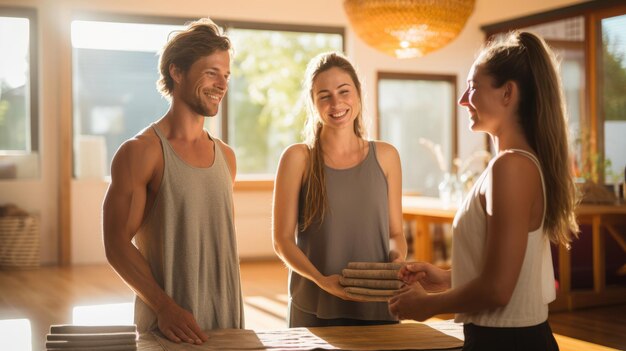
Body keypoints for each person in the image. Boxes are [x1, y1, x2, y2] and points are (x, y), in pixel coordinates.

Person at [388, 31, 579, 350]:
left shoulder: (512, 167)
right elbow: (508, 272)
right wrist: (448, 277)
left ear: (508, 93)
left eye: (473, 87)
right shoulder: (514, 164)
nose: (463, 99)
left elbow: (498, 290)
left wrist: (427, 306)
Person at [102, 18, 243, 344]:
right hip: (170, 327)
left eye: (226, 75)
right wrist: (165, 307)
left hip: (229, 322)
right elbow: (116, 245)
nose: (222, 84)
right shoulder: (141, 153)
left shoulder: (226, 157)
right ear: (177, 73)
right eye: (211, 72)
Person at [272, 52, 407, 327]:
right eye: (325, 96)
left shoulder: (387, 156)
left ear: (358, 94)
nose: (336, 103)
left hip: (378, 304)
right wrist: (323, 282)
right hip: (314, 305)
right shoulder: (298, 158)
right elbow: (282, 241)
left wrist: (396, 261)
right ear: (313, 103)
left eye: (344, 91)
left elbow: (395, 233)